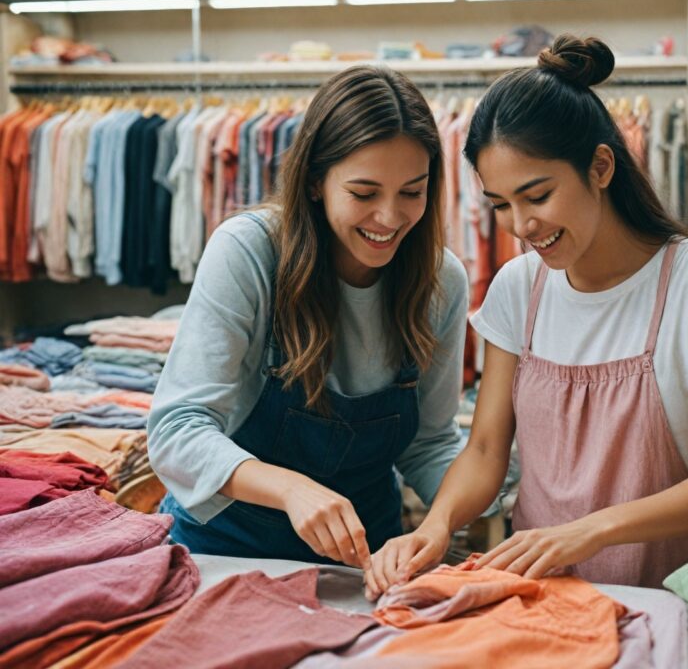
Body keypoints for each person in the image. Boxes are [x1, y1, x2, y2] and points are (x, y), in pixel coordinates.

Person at [366, 35, 688, 595]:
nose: (520, 225)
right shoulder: (517, 288)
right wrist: (437, 524)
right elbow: (487, 449)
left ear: (601, 166)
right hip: (538, 594)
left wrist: (591, 532)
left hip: (668, 597)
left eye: (537, 196)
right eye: (501, 205)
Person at [149, 65, 469, 577]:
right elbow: (176, 432)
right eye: (364, 193)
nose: (389, 217)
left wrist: (475, 511)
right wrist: (291, 489)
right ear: (317, 181)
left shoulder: (441, 281)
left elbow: (429, 444)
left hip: (364, 566)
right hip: (223, 553)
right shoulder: (249, 252)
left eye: (412, 192)